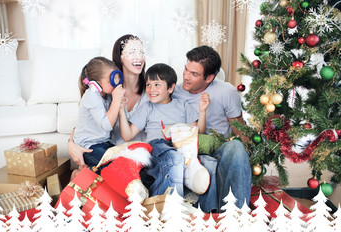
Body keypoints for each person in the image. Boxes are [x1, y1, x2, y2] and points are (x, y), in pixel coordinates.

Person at [172, 45, 251, 211]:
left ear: (209, 78)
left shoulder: (226, 91)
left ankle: (236, 215)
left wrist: (251, 155)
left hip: (219, 146)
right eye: (186, 70)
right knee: (205, 163)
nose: (186, 77)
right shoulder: (175, 92)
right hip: (189, 149)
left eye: (194, 74)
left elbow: (239, 129)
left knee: (236, 147)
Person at [118, 63, 210, 196]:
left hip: (181, 146)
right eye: (148, 84)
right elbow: (128, 135)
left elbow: (198, 133)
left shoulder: (182, 105)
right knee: (174, 158)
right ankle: (171, 205)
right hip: (158, 146)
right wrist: (121, 111)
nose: (151, 89)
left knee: (209, 164)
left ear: (171, 88)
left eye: (157, 84)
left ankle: (207, 211)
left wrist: (202, 111)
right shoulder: (147, 108)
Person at [68, 34, 149, 171]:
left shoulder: (153, 91)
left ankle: (84, 174)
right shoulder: (108, 92)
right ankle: (83, 176)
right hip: (113, 154)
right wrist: (71, 144)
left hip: (139, 155)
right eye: (132, 52)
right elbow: (85, 125)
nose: (138, 56)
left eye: (141, 51)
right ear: (120, 58)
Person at [72, 56, 125, 174]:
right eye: (111, 79)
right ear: (96, 84)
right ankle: (80, 174)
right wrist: (116, 101)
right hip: (88, 147)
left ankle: (86, 172)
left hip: (104, 143)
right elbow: (106, 125)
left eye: (117, 77)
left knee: (124, 162)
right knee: (113, 168)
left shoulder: (108, 94)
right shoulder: (91, 96)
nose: (116, 83)